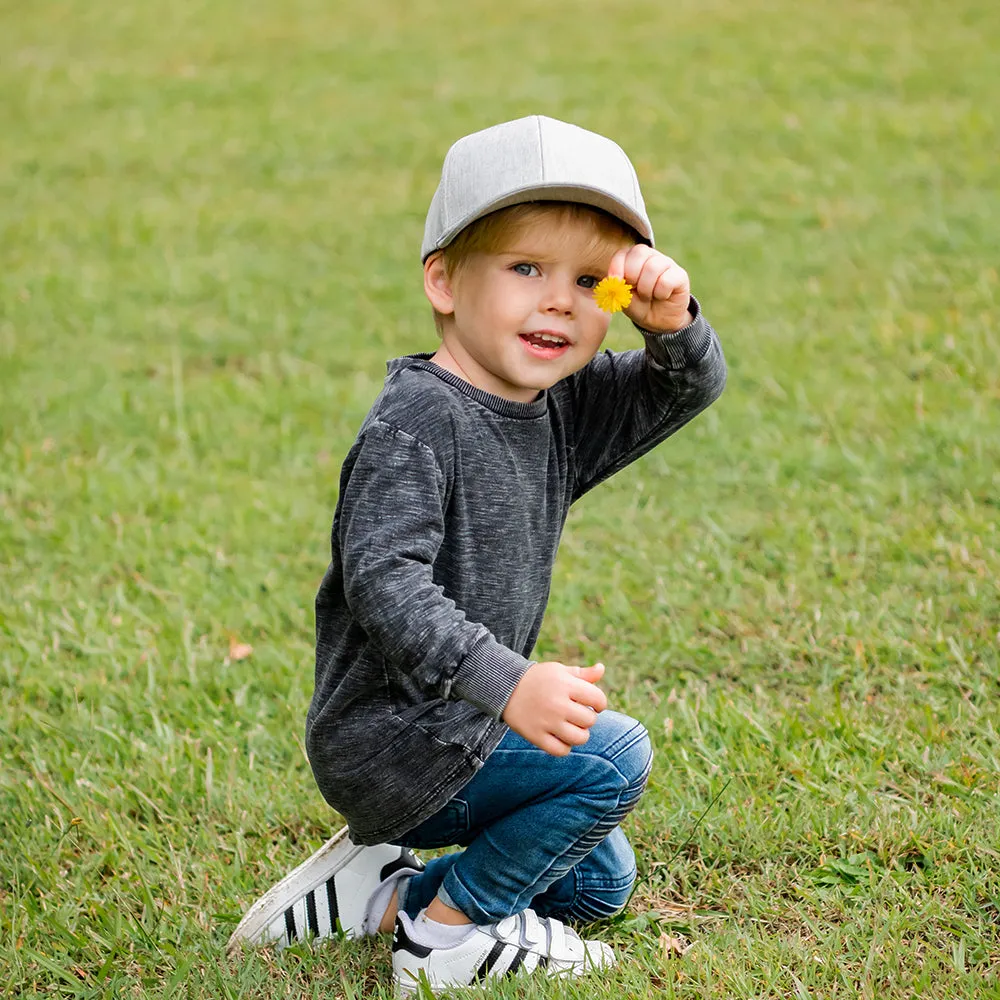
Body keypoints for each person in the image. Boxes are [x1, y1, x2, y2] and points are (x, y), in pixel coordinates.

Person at [227, 115, 727, 994]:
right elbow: (385, 585)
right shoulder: (416, 423)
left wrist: (671, 318)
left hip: (464, 727)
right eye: (525, 268)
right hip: (393, 741)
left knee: (600, 880)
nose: (559, 301)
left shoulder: (560, 409)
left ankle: (373, 895)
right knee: (613, 759)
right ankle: (442, 939)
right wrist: (510, 682)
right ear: (445, 281)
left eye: (587, 280)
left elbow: (685, 384)